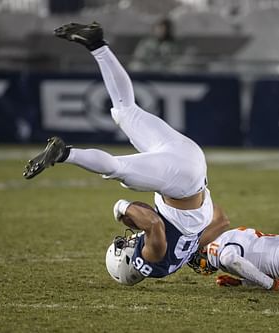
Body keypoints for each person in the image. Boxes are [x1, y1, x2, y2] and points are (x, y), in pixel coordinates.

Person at [22, 22, 229, 285]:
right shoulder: (154, 260)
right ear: (130, 261)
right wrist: (121, 209)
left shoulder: (181, 251)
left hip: (191, 163)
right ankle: (64, 154)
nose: (126, 241)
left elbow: (222, 219)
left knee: (125, 111)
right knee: (117, 170)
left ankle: (96, 45)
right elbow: (153, 223)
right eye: (123, 247)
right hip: (181, 176)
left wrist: (196, 242)